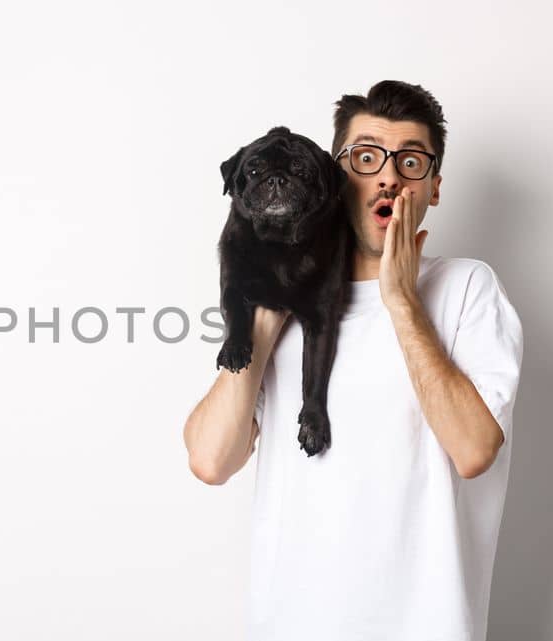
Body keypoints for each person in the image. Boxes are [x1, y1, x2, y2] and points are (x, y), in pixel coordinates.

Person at [182, 80, 525, 641]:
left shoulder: (467, 288)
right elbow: (210, 460)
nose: (388, 176)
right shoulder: (280, 304)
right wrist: (269, 312)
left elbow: (473, 450)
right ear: (336, 178)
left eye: (410, 162)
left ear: (433, 187)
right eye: (367, 157)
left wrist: (401, 301)